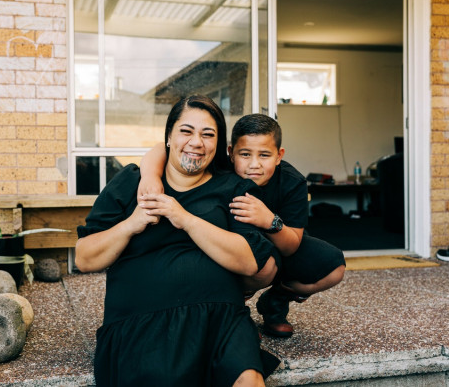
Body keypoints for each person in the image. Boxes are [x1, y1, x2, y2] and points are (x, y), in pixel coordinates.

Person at [75, 96, 280, 386]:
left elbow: (248, 262)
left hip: (220, 321)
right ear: (169, 137)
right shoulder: (132, 183)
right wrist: (131, 225)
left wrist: (184, 218)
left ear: (218, 145)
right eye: (186, 131)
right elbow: (84, 258)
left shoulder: (233, 187)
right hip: (141, 323)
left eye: (208, 134)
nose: (196, 142)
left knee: (249, 379)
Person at [139, 113, 346, 338]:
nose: (254, 165)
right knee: (259, 264)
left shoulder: (292, 181)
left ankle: (275, 301)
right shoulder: (222, 166)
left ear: (279, 155)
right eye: (245, 154)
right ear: (230, 153)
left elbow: (291, 246)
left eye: (265, 155)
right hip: (229, 247)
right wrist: (150, 176)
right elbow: (162, 148)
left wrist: (269, 220)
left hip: (276, 240)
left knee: (334, 268)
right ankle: (233, 309)